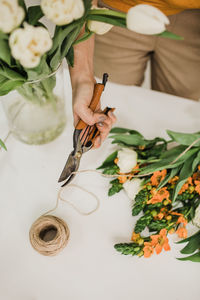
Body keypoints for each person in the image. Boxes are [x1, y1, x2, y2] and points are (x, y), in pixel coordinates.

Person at [70, 0, 200, 148]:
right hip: (114, 13)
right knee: (114, 101)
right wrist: (82, 77)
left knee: (177, 119)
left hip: (193, 24)